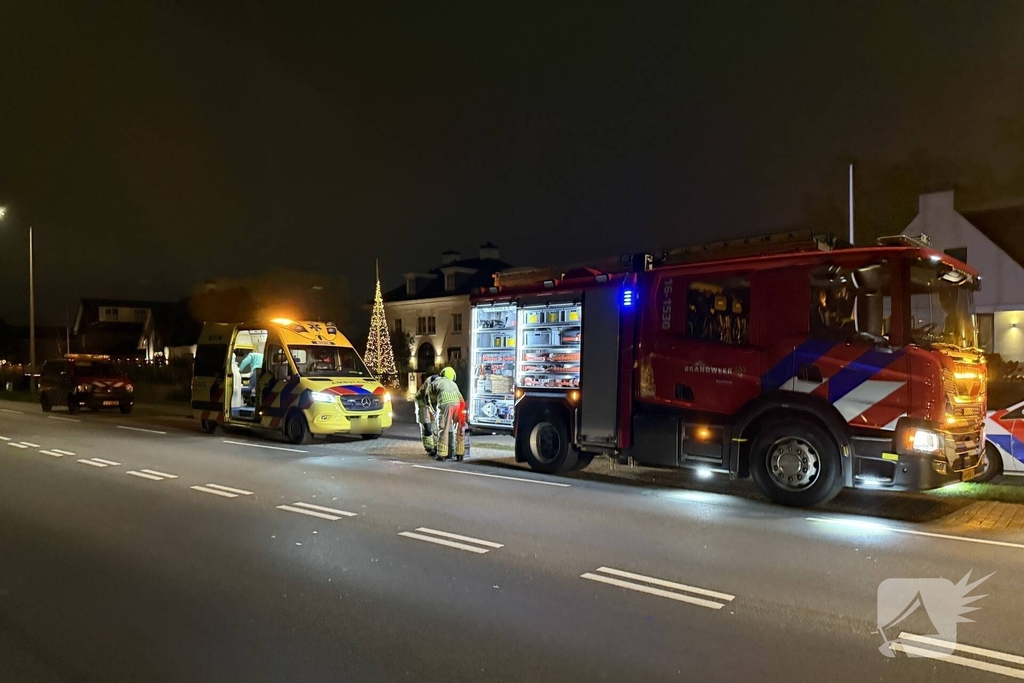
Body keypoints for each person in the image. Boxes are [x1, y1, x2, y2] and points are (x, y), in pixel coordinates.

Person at [433, 366, 468, 461]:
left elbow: (431, 397)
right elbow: (461, 398)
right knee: (459, 428)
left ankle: (442, 454)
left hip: (445, 404)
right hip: (457, 404)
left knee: (444, 428)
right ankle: (460, 453)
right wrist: (462, 415)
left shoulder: (437, 381)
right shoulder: (454, 384)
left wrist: (433, 408)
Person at [414, 374, 440, 458]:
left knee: (435, 426)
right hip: (422, 403)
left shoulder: (440, 383)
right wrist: (435, 412)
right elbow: (427, 400)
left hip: (432, 404)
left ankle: (436, 446)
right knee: (427, 426)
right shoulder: (430, 384)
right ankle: (429, 447)